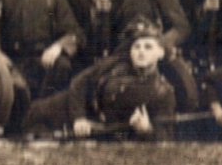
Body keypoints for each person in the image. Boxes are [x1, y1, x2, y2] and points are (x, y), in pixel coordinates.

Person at [21, 19, 175, 140]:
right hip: (77, 106)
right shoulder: (115, 64)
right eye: (136, 47)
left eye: (148, 47)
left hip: (100, 129)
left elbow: (167, 136)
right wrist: (79, 118)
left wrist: (147, 129)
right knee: (35, 113)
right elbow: (80, 81)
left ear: (160, 53)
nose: (141, 52)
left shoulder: (162, 91)